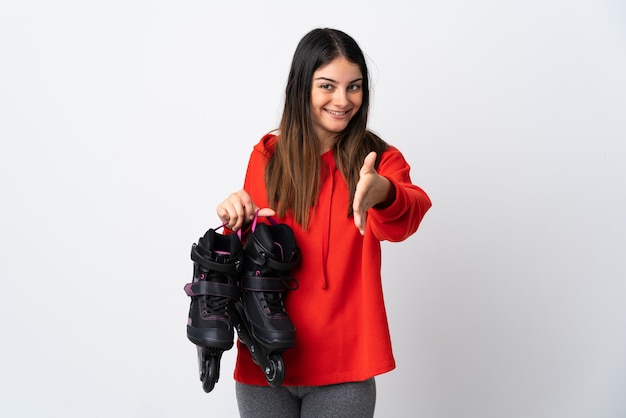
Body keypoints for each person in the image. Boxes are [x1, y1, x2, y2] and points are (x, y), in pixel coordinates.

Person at [216, 27, 431, 418]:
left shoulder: (379, 160)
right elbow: (251, 251)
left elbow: (409, 215)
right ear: (302, 88)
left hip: (344, 365)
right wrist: (236, 217)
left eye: (354, 87)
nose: (342, 100)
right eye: (327, 86)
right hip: (265, 358)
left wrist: (383, 191)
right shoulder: (267, 156)